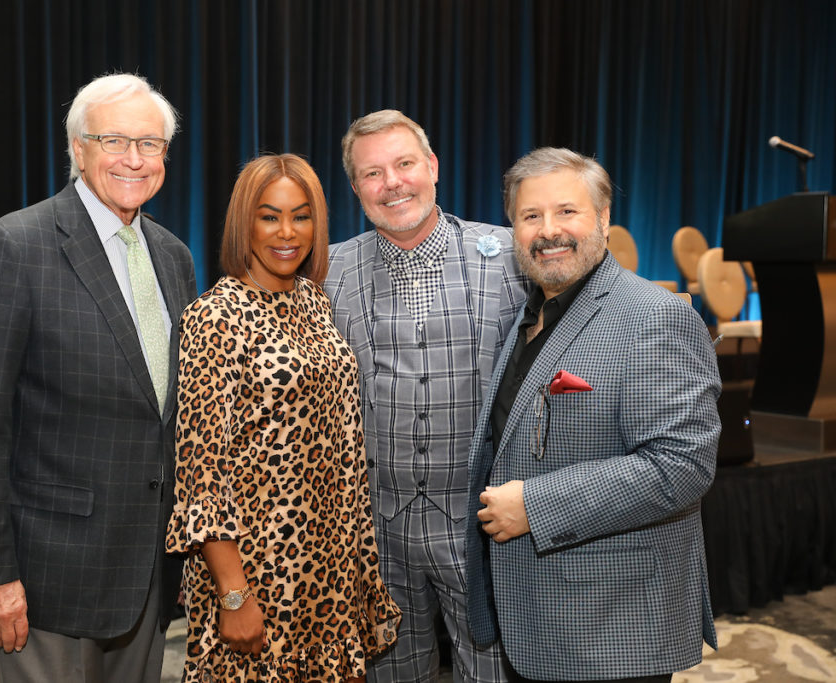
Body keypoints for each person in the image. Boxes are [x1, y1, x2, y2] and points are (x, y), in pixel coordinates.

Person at [0, 73, 197, 682]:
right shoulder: (13, 247)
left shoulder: (173, 256)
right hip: (47, 575)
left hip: (147, 571)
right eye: (114, 141)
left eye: (150, 144)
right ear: (78, 149)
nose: (134, 159)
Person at [466, 147, 721, 683]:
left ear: (604, 218)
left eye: (567, 211)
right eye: (530, 216)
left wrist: (534, 506)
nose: (548, 230)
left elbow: (682, 464)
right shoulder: (530, 312)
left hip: (611, 625)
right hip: (534, 616)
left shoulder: (655, 317)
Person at [166, 153, 401, 682]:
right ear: (243, 223)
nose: (288, 232)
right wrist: (233, 594)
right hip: (259, 571)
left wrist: (358, 570)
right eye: (269, 216)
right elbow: (202, 472)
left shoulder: (314, 302)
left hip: (331, 567)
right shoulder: (216, 316)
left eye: (302, 216)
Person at [324, 110, 527, 682]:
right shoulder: (328, 270)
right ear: (356, 187)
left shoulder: (510, 255)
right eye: (372, 173)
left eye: (405, 164)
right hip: (376, 532)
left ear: (432, 167)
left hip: (482, 527)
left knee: (491, 671)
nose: (392, 183)